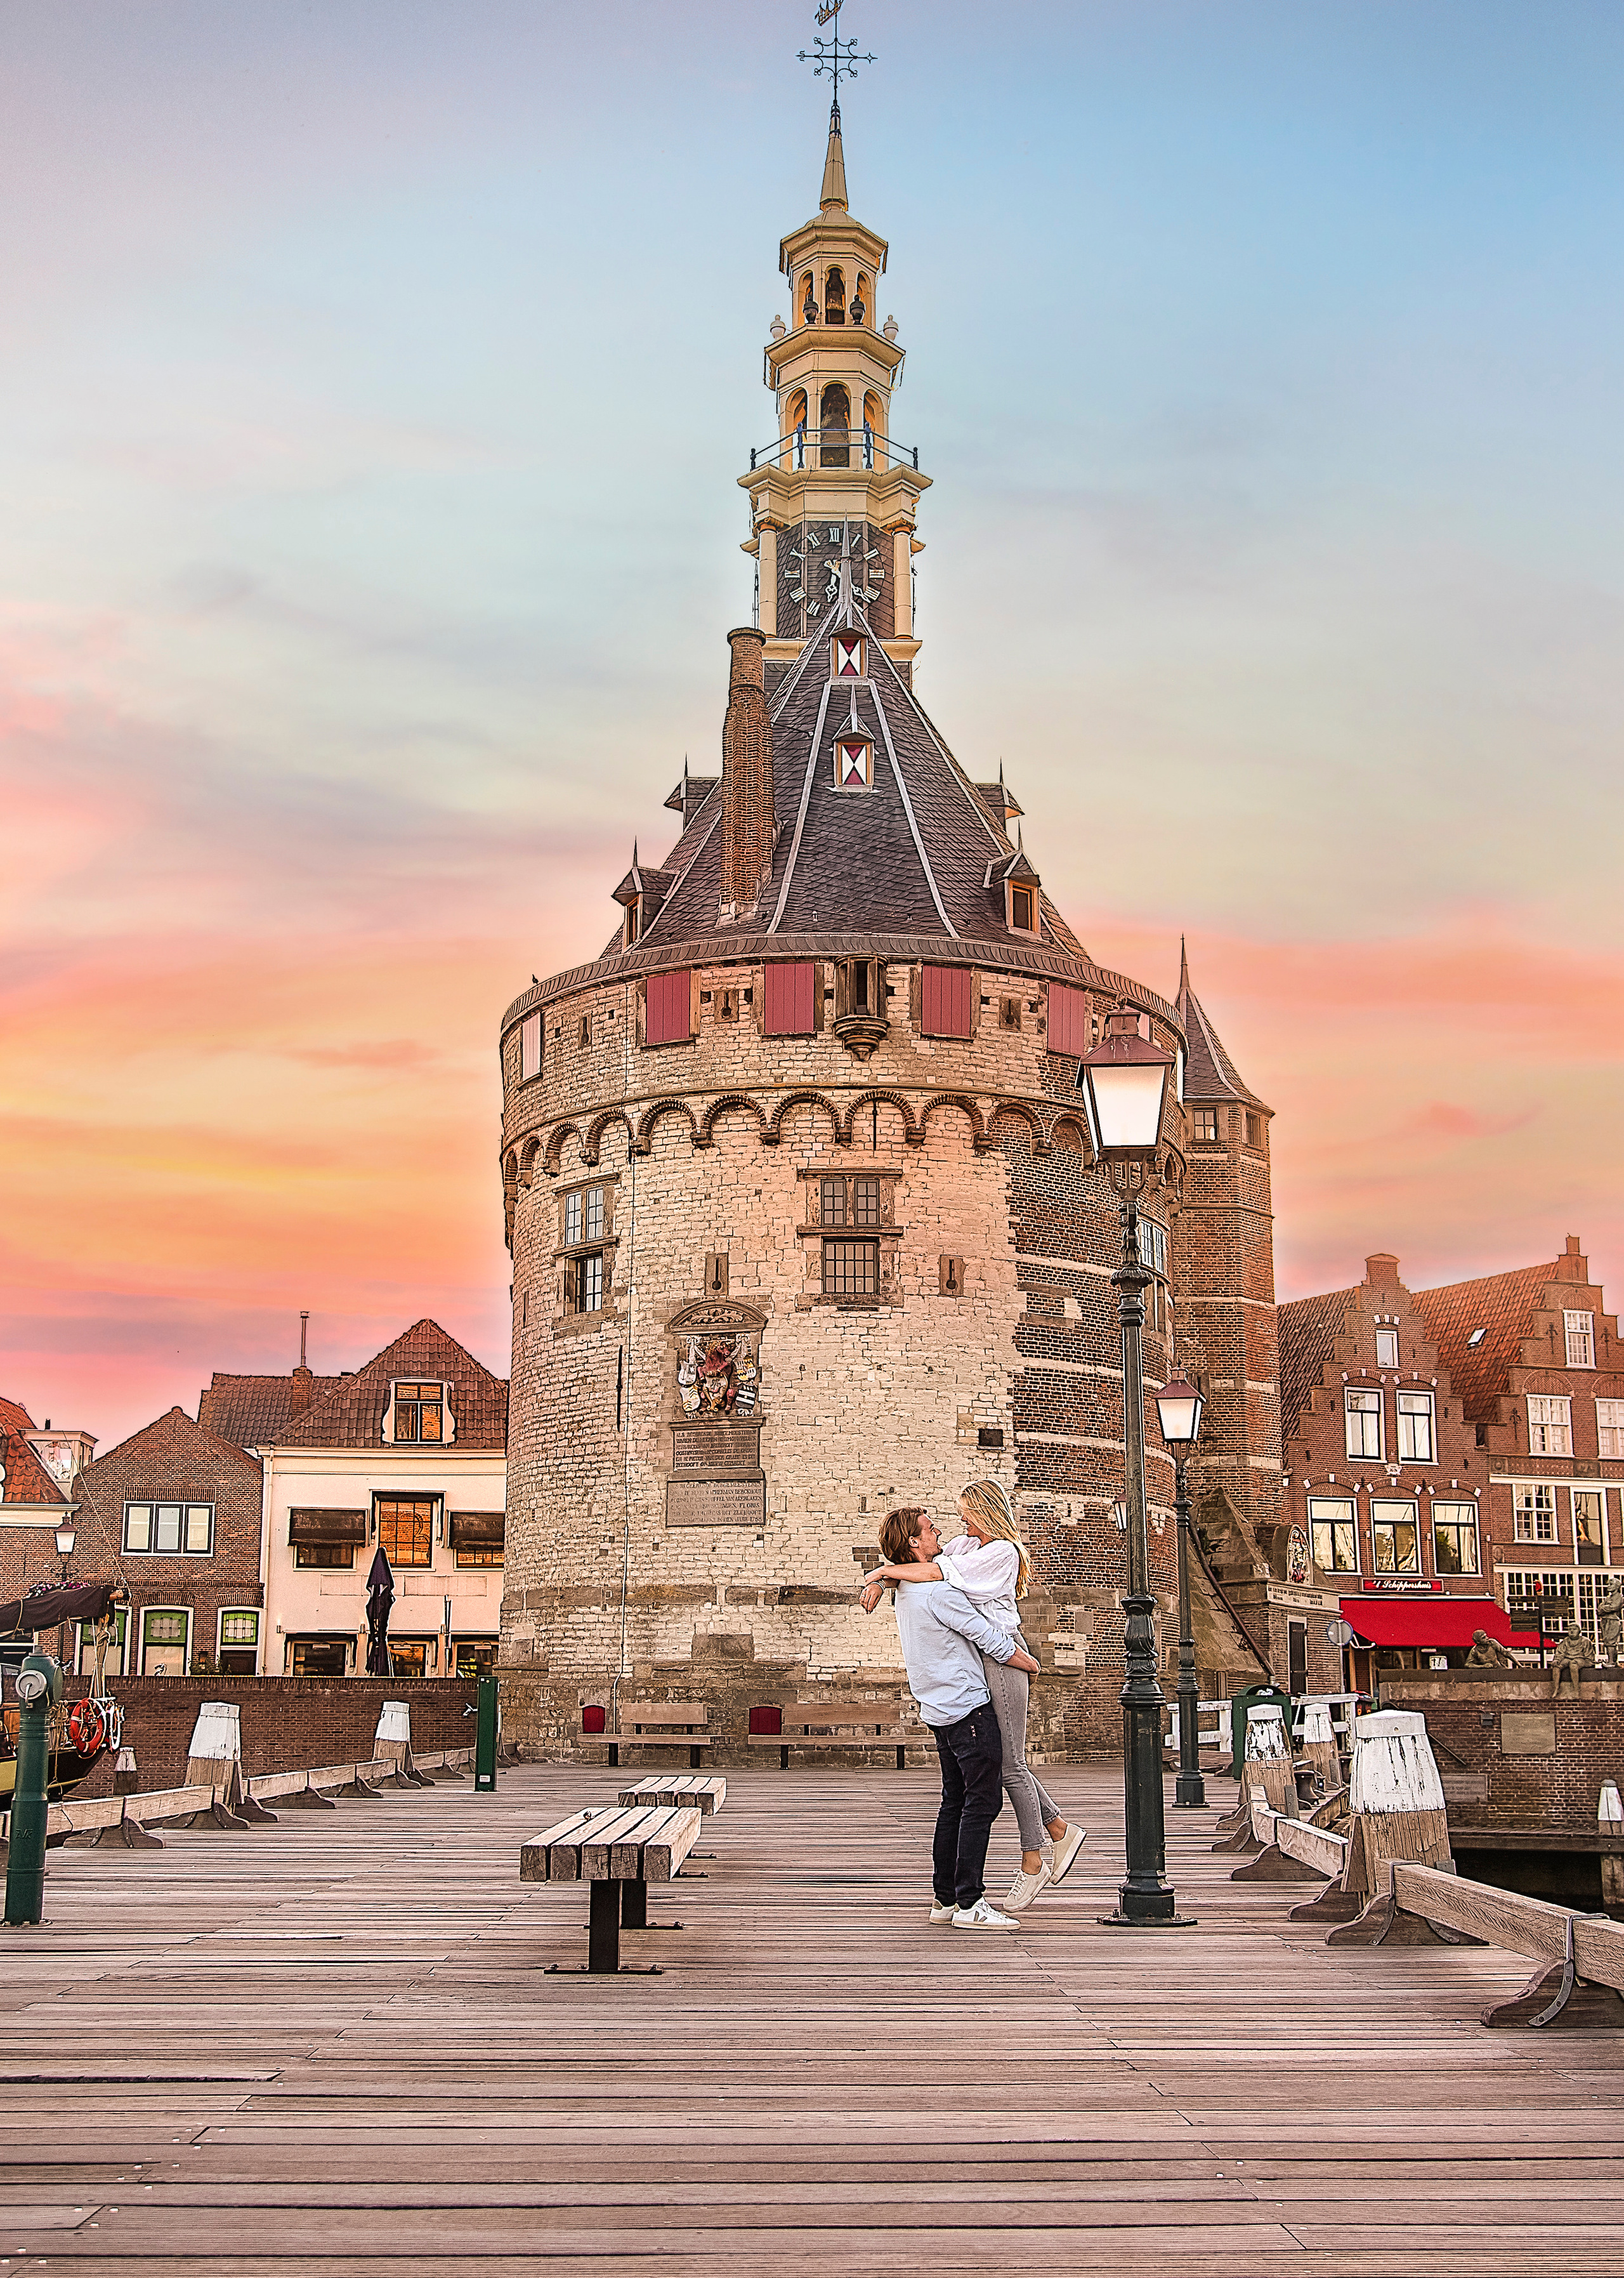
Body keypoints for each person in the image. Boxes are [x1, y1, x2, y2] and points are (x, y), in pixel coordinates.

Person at [861, 1481, 1085, 1912]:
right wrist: (884, 1577)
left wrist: (878, 1574)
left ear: (985, 1511)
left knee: (1010, 1763)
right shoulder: (966, 1545)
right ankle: (1057, 1829)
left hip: (1003, 1652)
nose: (955, 1525)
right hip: (986, 1660)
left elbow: (933, 1574)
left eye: (966, 1513)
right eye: (938, 1525)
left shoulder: (1002, 1551)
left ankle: (1034, 1859)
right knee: (1000, 1764)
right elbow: (925, 1568)